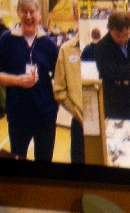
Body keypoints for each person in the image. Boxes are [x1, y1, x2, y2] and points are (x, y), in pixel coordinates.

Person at [0, 0, 59, 161]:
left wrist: (54, 106)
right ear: (18, 13)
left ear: (39, 14)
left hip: (45, 117)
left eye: (32, 12)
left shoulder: (49, 44)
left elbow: (59, 77)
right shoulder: (6, 40)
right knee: (18, 159)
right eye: (24, 11)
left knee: (44, 161)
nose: (28, 16)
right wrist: (17, 80)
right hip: (18, 116)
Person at [95, 11, 130, 120]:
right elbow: (108, 72)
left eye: (126, 35)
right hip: (114, 105)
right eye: (118, 35)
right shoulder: (102, 47)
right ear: (110, 30)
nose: (122, 39)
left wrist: (123, 76)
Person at [53, 31, 84, 163]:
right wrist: (77, 113)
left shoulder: (110, 48)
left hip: (108, 123)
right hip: (79, 122)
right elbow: (59, 90)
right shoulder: (66, 50)